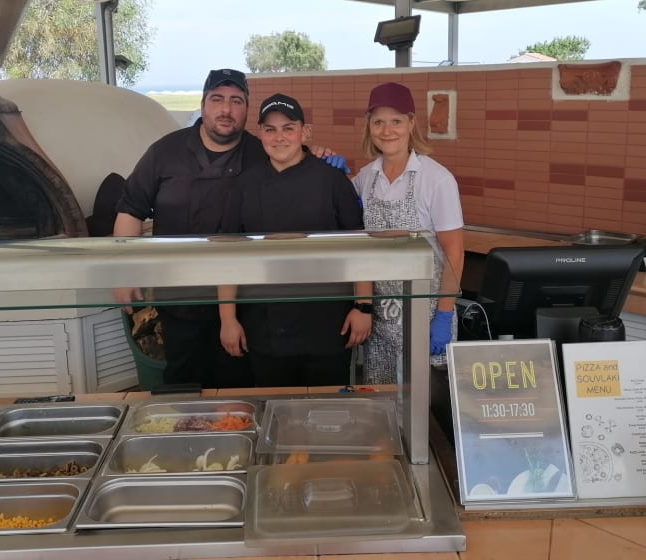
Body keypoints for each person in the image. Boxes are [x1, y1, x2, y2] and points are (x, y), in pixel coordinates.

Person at [113, 69, 347, 389]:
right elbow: (131, 208)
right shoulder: (164, 152)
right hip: (180, 296)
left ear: (247, 110)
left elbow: (294, 158)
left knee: (238, 387)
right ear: (203, 105)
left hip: (245, 303)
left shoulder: (259, 151)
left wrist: (319, 154)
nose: (226, 109)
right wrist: (123, 271)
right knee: (182, 384)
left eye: (236, 101)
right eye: (217, 99)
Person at [217, 93, 372, 387]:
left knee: (328, 408)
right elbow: (228, 254)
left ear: (305, 132)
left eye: (288, 128)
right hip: (263, 325)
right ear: (261, 134)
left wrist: (363, 307)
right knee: (274, 407)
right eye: (270, 129)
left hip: (328, 324)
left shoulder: (332, 180)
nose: (279, 137)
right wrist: (227, 318)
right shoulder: (244, 185)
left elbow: (359, 246)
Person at [352, 81, 465, 385]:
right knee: (382, 402)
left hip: (426, 316)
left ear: (412, 123)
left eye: (396, 121)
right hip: (380, 321)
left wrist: (444, 315)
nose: (387, 130)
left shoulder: (437, 179)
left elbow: (454, 254)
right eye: (378, 122)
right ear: (369, 127)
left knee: (425, 405)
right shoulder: (366, 177)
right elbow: (340, 210)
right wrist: (322, 163)